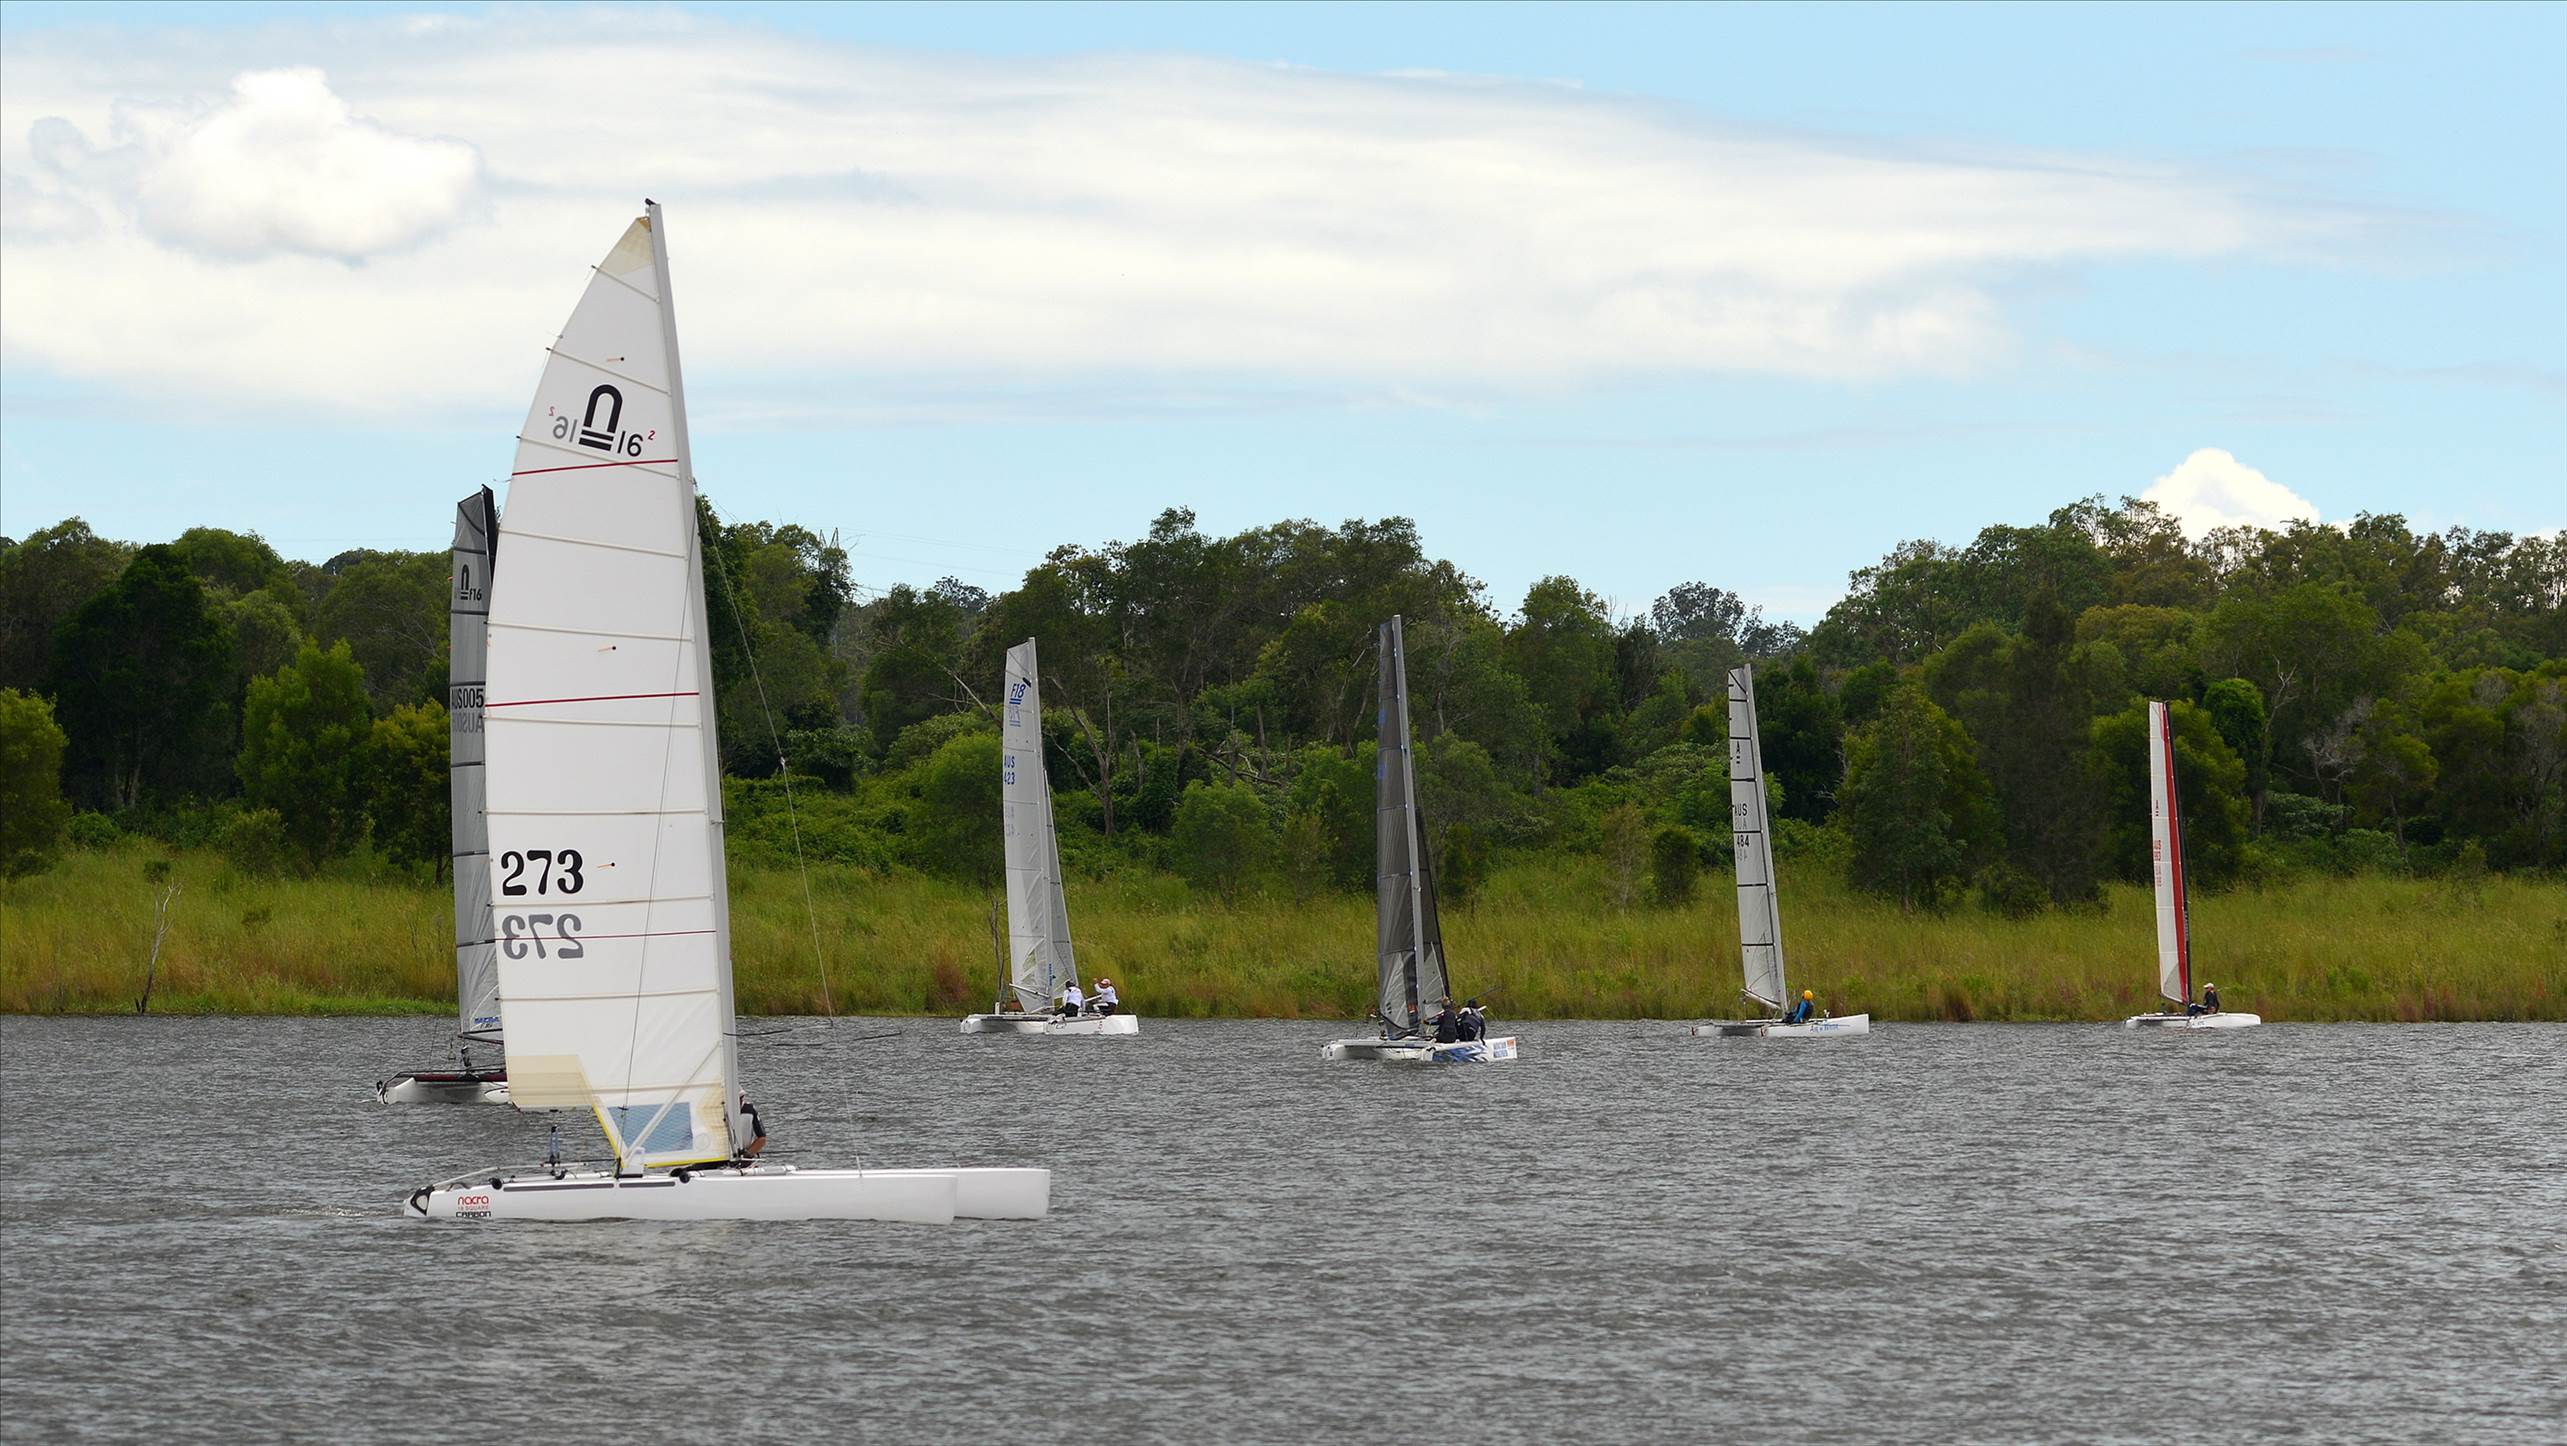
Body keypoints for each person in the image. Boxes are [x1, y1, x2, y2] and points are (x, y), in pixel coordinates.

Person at [738, 1092, 767, 1159]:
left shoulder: (749, 1109)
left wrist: (748, 1153)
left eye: (741, 1097)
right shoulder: (718, 1109)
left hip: (745, 1158)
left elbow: (762, 1139)